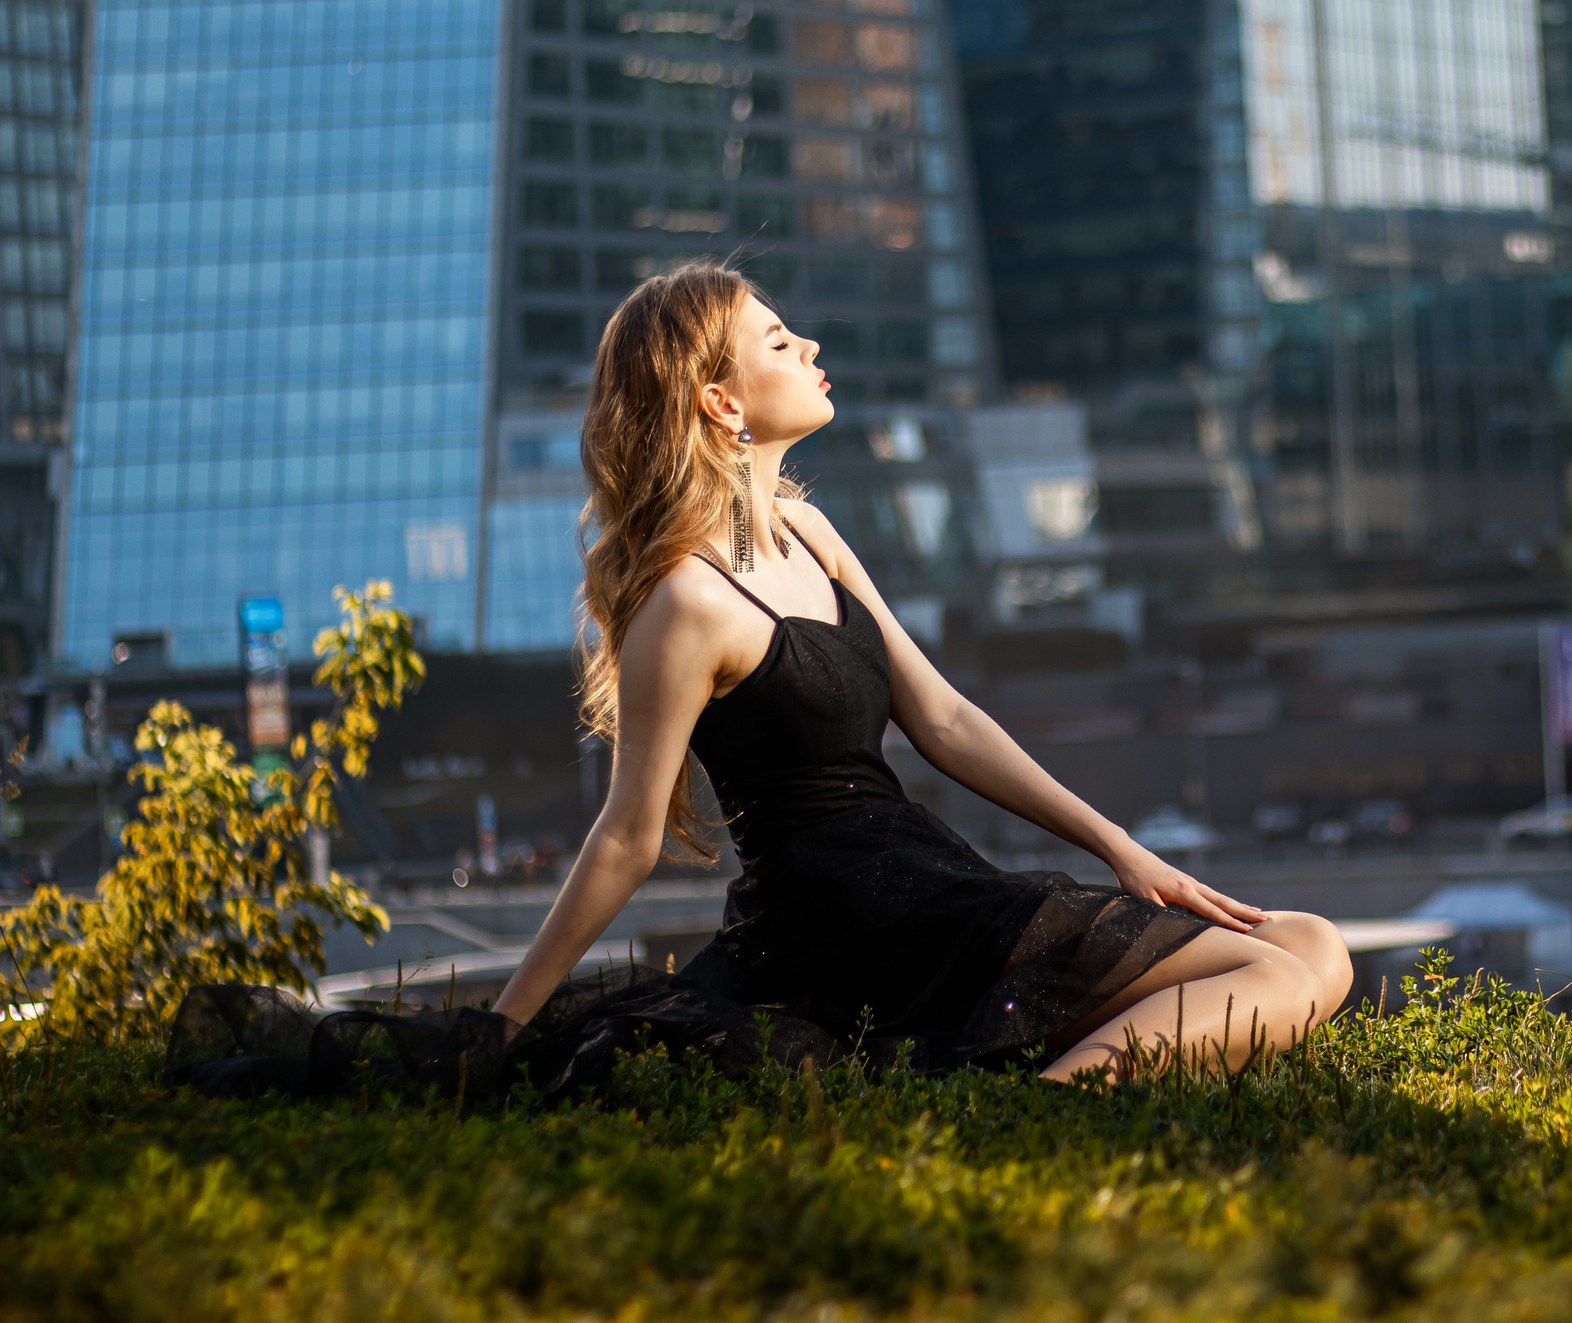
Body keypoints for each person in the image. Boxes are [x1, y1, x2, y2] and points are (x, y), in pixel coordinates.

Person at [487, 263, 1352, 1082]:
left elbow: (942, 718)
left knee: (1316, 946)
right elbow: (626, 837)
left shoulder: (809, 533)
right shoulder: (686, 601)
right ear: (721, 402)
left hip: (923, 882)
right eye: (781, 342)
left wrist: (1123, 851)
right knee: (1273, 977)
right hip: (846, 922)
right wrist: (499, 1029)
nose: (811, 350)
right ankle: (1058, 1109)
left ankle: (1058, 1086)